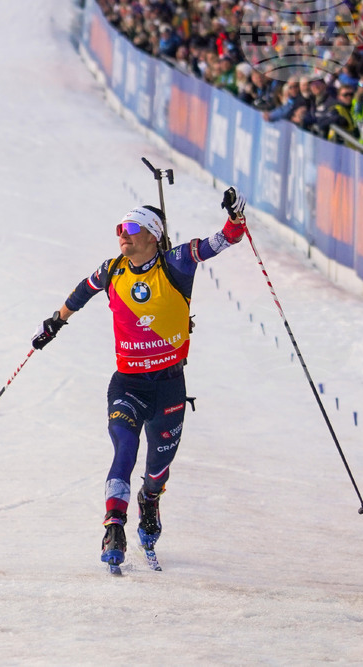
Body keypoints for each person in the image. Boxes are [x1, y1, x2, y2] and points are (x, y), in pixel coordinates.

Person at [30, 188, 248, 568]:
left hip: (169, 386)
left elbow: (225, 239)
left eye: (132, 227)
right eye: (120, 227)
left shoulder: (178, 262)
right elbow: (83, 291)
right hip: (128, 384)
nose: (123, 234)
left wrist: (236, 218)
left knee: (156, 469)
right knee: (124, 450)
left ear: (153, 235)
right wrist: (55, 323)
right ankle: (114, 525)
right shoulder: (113, 269)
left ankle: (150, 499)